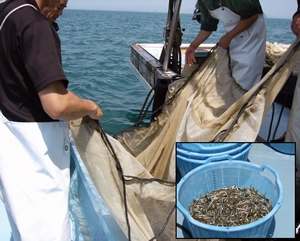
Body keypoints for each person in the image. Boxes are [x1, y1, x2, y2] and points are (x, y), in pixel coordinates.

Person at [0, 0, 103, 240]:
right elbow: (57, 105)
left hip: (9, 136)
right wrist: (91, 107)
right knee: (47, 230)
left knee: (21, 219)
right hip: (36, 150)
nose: (60, 12)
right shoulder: (36, 26)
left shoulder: (8, 10)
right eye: (60, 5)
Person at [185, 0, 266, 91]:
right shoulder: (203, 2)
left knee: (246, 79)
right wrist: (192, 47)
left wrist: (228, 37)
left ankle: (243, 103)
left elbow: (251, 16)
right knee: (226, 74)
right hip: (231, 35)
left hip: (251, 37)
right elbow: (208, 26)